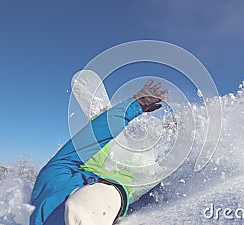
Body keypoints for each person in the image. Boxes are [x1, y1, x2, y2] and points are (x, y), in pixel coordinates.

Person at [30, 80, 168, 225]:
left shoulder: (50, 184)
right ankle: (164, 138)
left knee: (96, 144)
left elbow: (91, 138)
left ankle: (109, 121)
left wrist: (135, 105)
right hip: (121, 186)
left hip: (87, 169)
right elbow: (137, 206)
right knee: (143, 176)